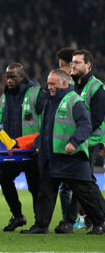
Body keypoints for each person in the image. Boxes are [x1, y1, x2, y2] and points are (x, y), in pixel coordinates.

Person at [21, 69, 105, 235]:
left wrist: (74, 142)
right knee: (45, 193)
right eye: (48, 83)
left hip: (71, 158)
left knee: (85, 193)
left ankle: (101, 223)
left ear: (64, 84)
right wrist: (39, 142)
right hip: (52, 157)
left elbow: (86, 125)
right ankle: (41, 225)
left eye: (53, 84)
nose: (49, 87)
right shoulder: (50, 101)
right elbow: (46, 128)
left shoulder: (74, 100)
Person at [59, 49, 105, 231]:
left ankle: (72, 220)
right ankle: (91, 219)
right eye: (72, 62)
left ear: (88, 65)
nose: (73, 65)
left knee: (83, 181)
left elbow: (96, 120)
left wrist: (78, 138)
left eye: (77, 63)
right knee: (82, 181)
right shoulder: (72, 86)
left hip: (92, 141)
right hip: (77, 141)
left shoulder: (97, 88)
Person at [0, 62, 45, 231]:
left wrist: (39, 142)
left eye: (13, 77)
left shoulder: (37, 94)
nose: (8, 80)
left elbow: (47, 120)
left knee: (35, 187)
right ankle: (17, 216)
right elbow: (1, 122)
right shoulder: (5, 96)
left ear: (22, 77)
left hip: (32, 149)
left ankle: (40, 224)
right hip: (13, 150)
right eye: (7, 77)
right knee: (3, 177)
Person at [55, 47, 76, 225]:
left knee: (68, 187)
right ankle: (76, 219)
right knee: (79, 184)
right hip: (76, 141)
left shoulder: (68, 85)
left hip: (69, 141)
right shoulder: (82, 84)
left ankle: (68, 219)